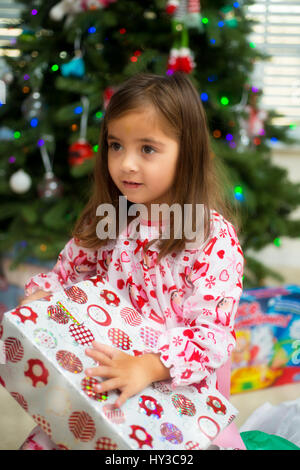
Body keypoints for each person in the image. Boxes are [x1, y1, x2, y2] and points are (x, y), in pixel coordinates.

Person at [19, 72, 245, 450]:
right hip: (105, 376)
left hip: (174, 394)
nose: (125, 164)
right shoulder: (109, 219)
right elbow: (67, 276)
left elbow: (212, 336)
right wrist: (43, 300)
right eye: (115, 146)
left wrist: (147, 367)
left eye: (148, 149)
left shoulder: (211, 238)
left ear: (186, 152)